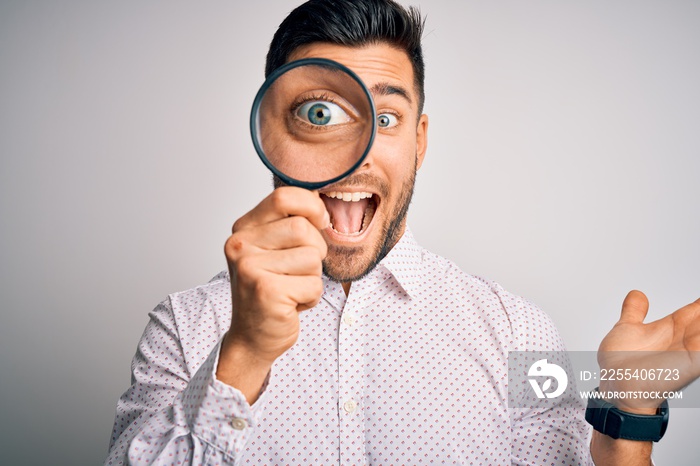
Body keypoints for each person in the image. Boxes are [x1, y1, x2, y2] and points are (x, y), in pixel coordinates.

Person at [106, 1, 700, 464]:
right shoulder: (185, 329)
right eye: (320, 113)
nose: (354, 155)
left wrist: (630, 413)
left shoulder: (517, 332)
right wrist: (242, 355)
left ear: (419, 141)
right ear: (271, 132)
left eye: (385, 117)